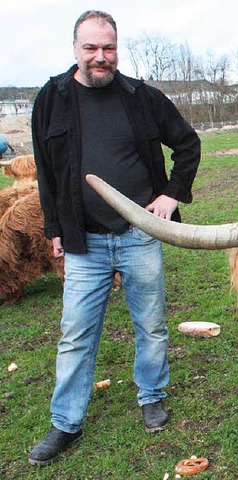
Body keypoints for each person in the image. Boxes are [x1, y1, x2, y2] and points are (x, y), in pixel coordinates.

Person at [29, 10, 201, 465]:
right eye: (91, 48)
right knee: (75, 335)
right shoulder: (51, 99)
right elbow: (46, 173)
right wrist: (54, 229)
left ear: (116, 49)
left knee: (150, 324)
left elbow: (187, 144)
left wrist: (170, 195)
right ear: (75, 49)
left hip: (138, 235)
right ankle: (65, 424)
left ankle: (152, 397)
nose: (100, 57)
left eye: (108, 48)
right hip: (84, 241)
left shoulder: (140, 96)